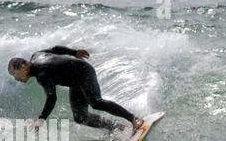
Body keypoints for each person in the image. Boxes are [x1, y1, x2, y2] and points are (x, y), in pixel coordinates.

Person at [8, 45, 143, 133]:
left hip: (84, 72)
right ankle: (116, 126)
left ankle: (133, 119)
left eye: (15, 74)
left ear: (23, 67)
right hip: (76, 81)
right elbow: (55, 49)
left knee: (96, 102)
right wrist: (74, 52)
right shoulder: (36, 55)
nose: (16, 79)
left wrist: (41, 118)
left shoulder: (41, 74)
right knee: (80, 117)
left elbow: (52, 97)